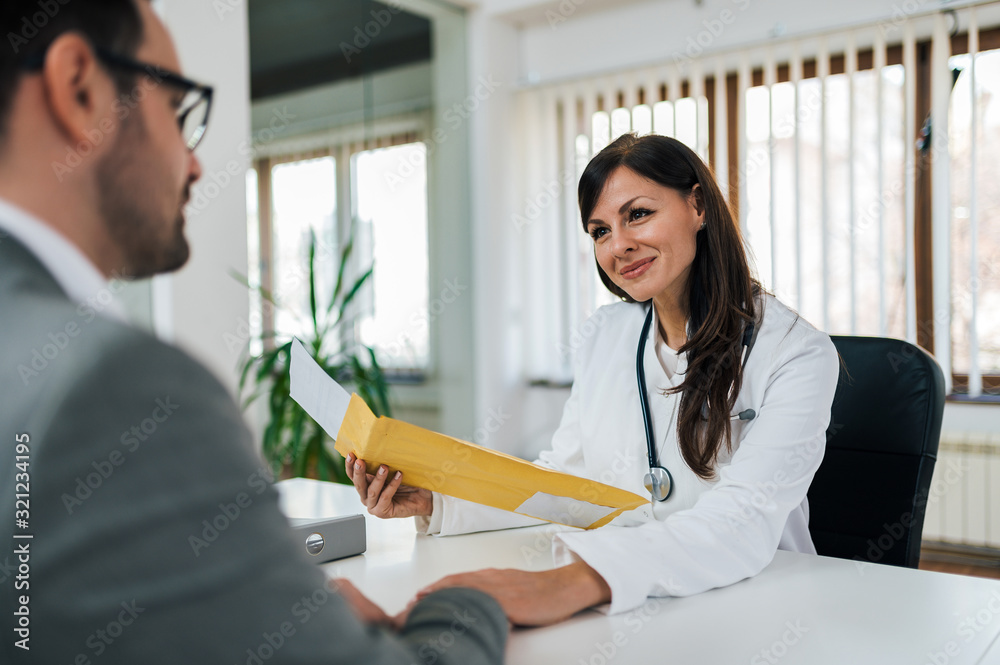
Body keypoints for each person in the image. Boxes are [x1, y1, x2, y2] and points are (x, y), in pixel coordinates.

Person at [0, 1, 507, 663]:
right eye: (180, 113)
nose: (195, 164)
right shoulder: (112, 386)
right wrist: (462, 602)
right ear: (79, 88)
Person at [348, 132, 840, 626]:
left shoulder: (796, 352)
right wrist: (440, 503)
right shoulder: (604, 335)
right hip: (636, 600)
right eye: (600, 231)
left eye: (638, 214)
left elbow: (745, 519)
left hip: (758, 603)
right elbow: (570, 483)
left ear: (697, 206)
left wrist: (571, 583)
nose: (619, 245)